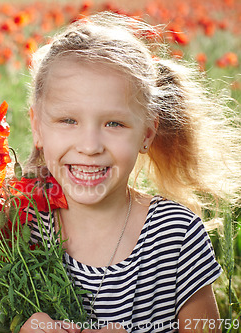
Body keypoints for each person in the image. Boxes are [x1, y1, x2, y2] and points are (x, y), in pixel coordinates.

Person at [19, 12, 241, 333]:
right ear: (37, 126)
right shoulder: (17, 233)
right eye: (69, 120)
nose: (90, 145)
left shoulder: (175, 237)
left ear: (146, 134)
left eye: (114, 124)